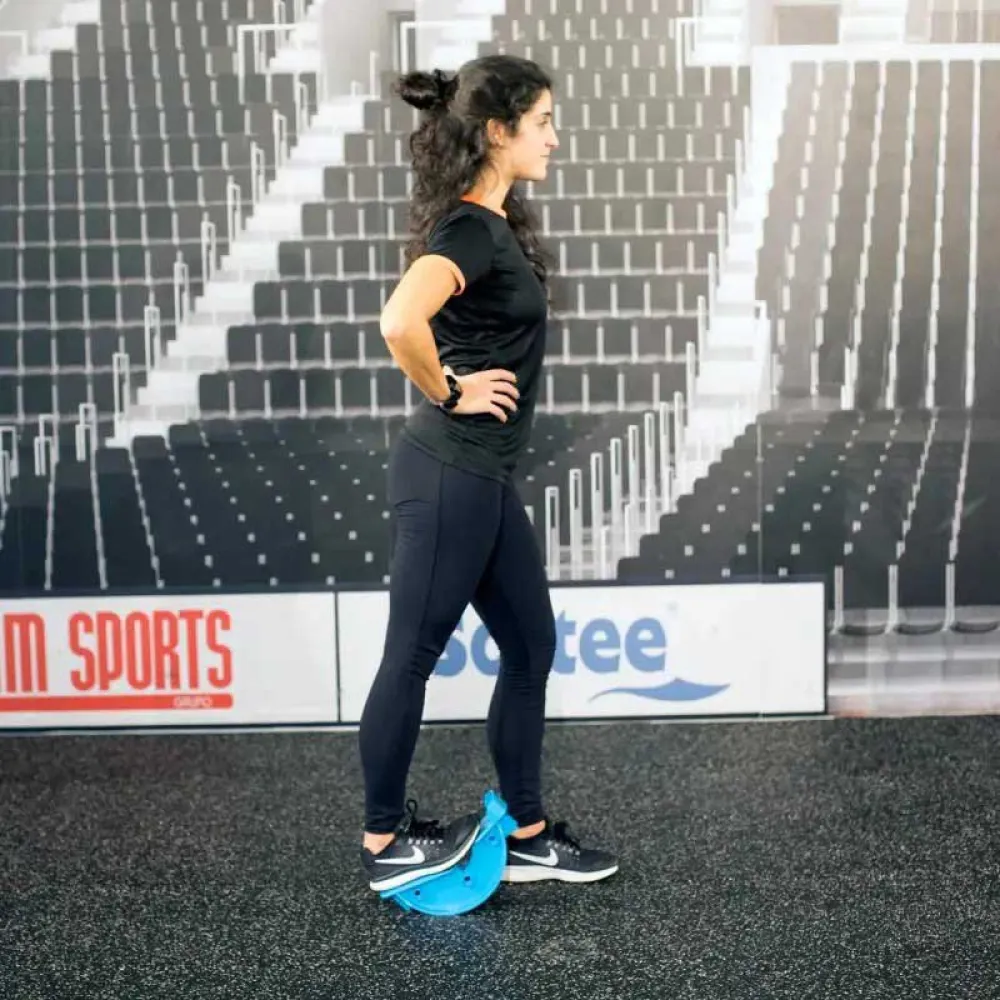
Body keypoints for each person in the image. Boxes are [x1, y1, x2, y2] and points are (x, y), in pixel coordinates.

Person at [357, 54, 619, 894]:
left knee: (531, 645)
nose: (555, 137)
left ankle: (529, 835)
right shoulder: (470, 228)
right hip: (449, 471)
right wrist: (450, 389)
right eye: (542, 122)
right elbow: (401, 320)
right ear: (498, 131)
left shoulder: (494, 225)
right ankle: (384, 840)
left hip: (481, 475)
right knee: (411, 655)